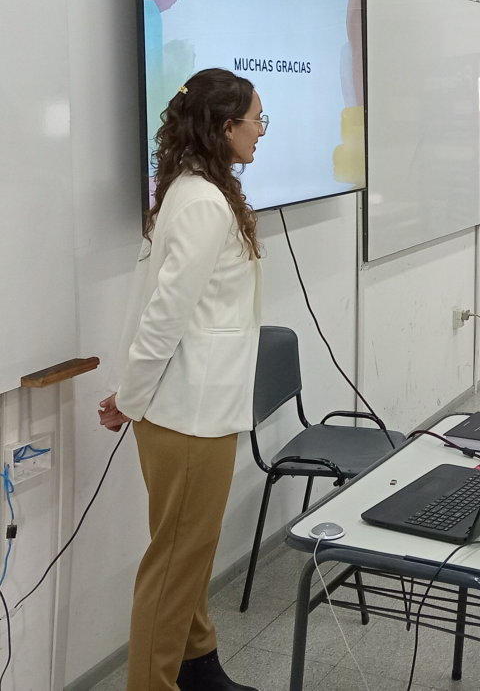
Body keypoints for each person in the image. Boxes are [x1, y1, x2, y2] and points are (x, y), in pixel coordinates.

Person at [98, 68, 266, 691]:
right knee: (172, 569)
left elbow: (159, 307)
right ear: (226, 129)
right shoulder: (201, 200)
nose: (259, 134)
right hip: (187, 416)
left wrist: (131, 395)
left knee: (186, 555)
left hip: (187, 409)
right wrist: (131, 398)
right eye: (255, 122)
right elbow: (163, 315)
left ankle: (198, 670)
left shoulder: (193, 190)